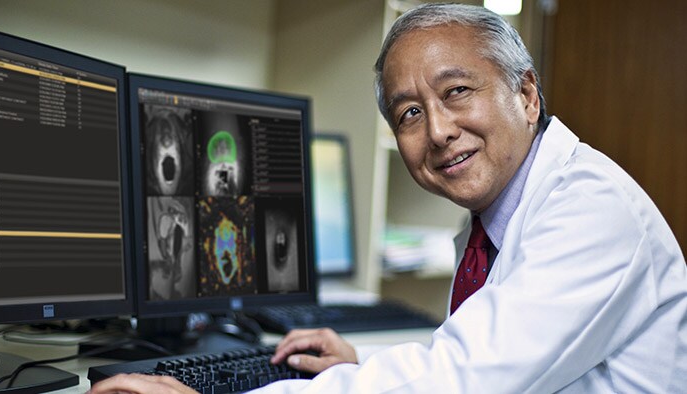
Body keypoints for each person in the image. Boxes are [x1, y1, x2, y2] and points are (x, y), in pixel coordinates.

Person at [89, 3, 687, 393]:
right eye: (409, 113)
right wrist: (360, 370)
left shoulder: (590, 210)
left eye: (457, 91)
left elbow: (463, 380)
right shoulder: (487, 228)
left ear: (527, 94)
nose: (438, 131)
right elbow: (485, 354)